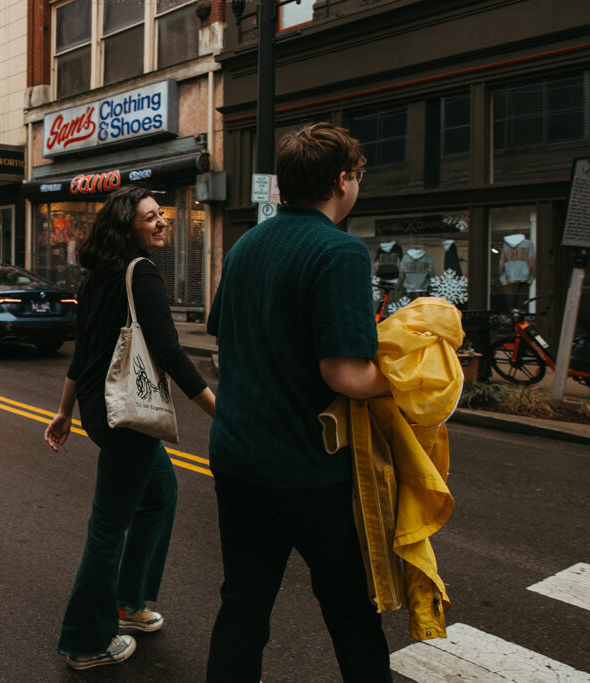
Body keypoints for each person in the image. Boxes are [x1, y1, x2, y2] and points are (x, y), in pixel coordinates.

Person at [206, 122, 393, 682]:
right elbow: (345, 373)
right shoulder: (340, 253)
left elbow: (224, 340)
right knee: (352, 613)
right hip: (307, 469)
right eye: (356, 176)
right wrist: (403, 380)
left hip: (238, 456)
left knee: (244, 602)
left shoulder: (246, 245)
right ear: (342, 181)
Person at [44, 185, 216, 671]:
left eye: (160, 215)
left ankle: (127, 602)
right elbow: (171, 354)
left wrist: (64, 411)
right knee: (107, 528)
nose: (161, 222)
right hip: (129, 416)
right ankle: (85, 640)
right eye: (149, 217)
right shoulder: (142, 276)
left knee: (161, 494)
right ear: (127, 227)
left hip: (103, 411)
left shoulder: (97, 278)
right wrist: (219, 415)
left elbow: (84, 353)